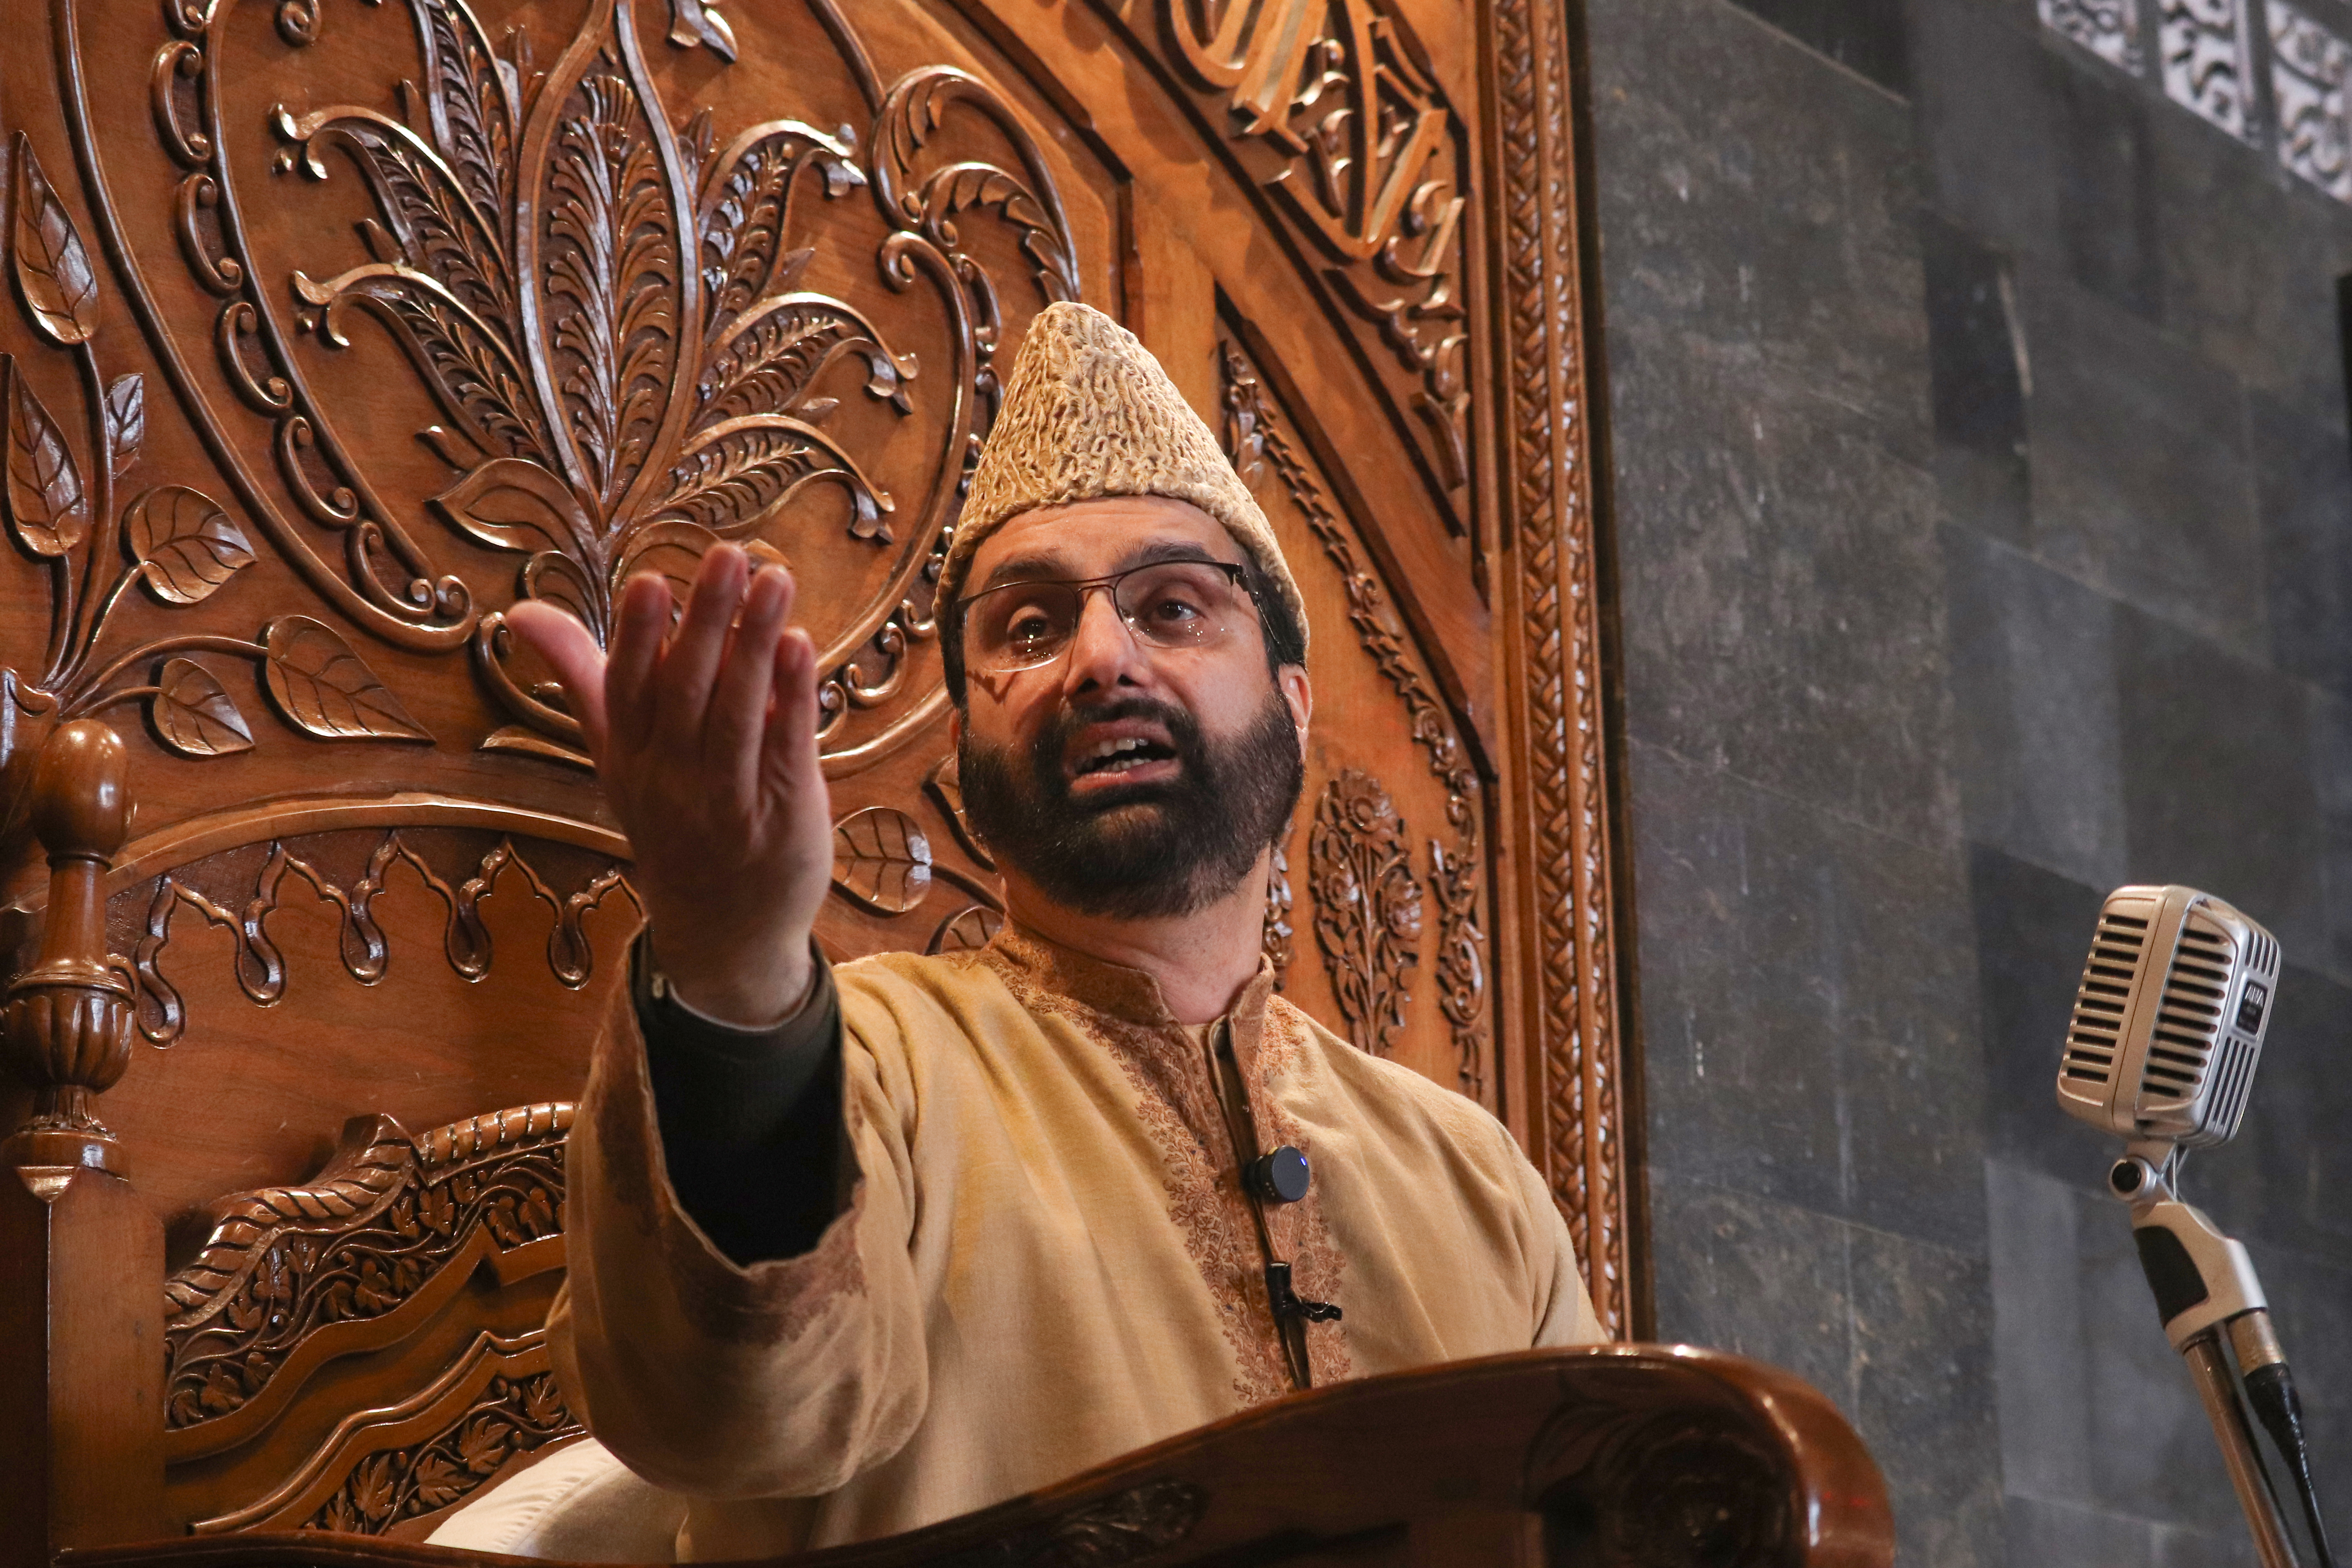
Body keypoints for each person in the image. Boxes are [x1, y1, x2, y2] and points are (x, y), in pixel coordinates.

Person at [472, 303, 1602, 1559]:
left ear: (1292, 702)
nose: (1100, 658)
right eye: (1030, 626)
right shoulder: (872, 1066)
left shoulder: (1478, 1177)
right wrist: (729, 957)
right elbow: (730, 1423)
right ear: (962, 754)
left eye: (1175, 608)